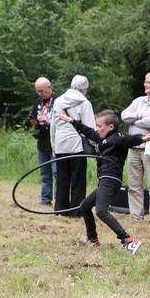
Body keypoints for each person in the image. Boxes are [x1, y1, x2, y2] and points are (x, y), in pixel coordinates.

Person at [56, 108, 150, 252]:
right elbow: (88, 132)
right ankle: (92, 238)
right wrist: (71, 121)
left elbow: (130, 140)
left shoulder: (117, 139)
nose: (97, 129)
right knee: (85, 206)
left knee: (101, 211)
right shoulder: (101, 138)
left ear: (110, 127)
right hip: (105, 179)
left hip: (110, 178)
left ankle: (127, 240)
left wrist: (143, 138)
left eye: (99, 126)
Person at [120, 73, 150, 224]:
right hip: (134, 146)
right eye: (145, 81)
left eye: (149, 82)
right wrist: (140, 115)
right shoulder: (138, 101)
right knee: (134, 184)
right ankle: (136, 216)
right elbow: (124, 115)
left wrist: (134, 120)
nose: (145, 84)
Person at [50, 75, 94, 221]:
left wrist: (53, 145)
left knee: (62, 178)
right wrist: (95, 145)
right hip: (77, 145)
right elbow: (89, 127)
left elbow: (53, 126)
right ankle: (76, 211)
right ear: (84, 88)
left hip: (61, 143)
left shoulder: (58, 101)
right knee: (78, 180)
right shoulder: (85, 103)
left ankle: (60, 209)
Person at [29, 77, 55, 209]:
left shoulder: (58, 101)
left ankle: (59, 200)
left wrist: (48, 121)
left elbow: (62, 122)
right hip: (42, 142)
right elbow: (33, 117)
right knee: (45, 174)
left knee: (57, 173)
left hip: (55, 144)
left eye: (41, 91)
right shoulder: (38, 101)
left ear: (49, 88)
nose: (40, 94)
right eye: (37, 91)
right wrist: (35, 121)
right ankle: (45, 199)